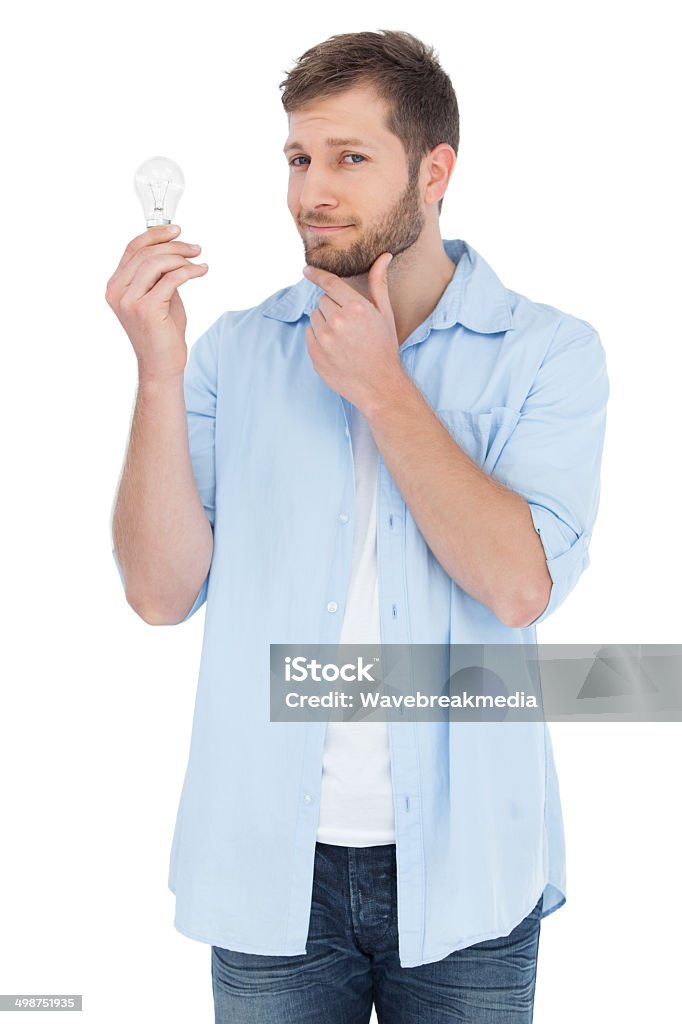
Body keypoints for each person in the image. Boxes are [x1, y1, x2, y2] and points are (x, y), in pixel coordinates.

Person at [107, 29, 608, 1024]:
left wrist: (385, 390)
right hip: (267, 879)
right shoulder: (238, 353)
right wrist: (158, 370)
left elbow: (519, 584)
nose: (310, 192)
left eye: (348, 158)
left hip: (469, 877)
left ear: (434, 171)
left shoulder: (549, 354)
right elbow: (159, 593)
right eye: (298, 158)